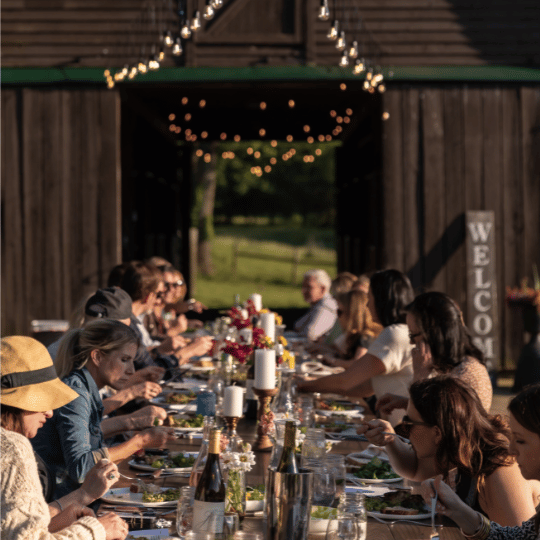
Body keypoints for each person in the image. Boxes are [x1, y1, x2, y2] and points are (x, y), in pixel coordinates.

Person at [360, 376, 539, 525]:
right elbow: (416, 470)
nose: (404, 430)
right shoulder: (460, 447)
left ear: (437, 433)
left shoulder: (499, 468)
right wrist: (390, 440)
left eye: (409, 423)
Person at [32, 319, 177, 499]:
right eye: (124, 360)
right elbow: (81, 468)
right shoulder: (75, 392)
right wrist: (141, 440)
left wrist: (131, 422)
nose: (132, 370)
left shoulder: (83, 385)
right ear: (98, 357)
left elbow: (89, 433)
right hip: (57, 499)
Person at [1, 335, 128, 540]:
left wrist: (64, 511)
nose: (50, 412)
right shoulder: (12, 447)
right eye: (41, 399)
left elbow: (10, 529)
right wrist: (95, 530)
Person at [422, 382, 540, 539]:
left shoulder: (500, 467)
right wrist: (458, 509)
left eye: (520, 440)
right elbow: (520, 536)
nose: (511, 450)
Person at [297, 269, 414, 424]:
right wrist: (313, 387)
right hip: (397, 433)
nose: (366, 303)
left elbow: (345, 381)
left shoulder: (395, 334)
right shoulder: (399, 332)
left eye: (370, 297)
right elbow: (365, 387)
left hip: (403, 436)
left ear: (381, 300)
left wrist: (302, 386)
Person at [377, 291, 492, 415]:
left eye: (413, 335)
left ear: (434, 335)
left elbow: (426, 428)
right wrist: (406, 403)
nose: (411, 342)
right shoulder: (459, 367)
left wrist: (419, 378)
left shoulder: (463, 378)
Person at [326, 289, 383, 366]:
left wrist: (333, 361)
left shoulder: (365, 337)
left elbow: (358, 363)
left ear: (351, 314)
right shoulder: (356, 334)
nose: (338, 317)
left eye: (339, 312)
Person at [294, 269, 338, 341]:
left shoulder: (326, 306)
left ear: (322, 289)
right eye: (303, 286)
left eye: (309, 287)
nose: (303, 291)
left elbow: (310, 334)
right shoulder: (317, 304)